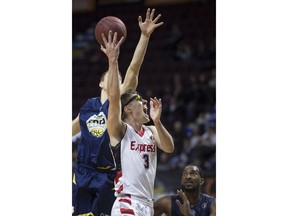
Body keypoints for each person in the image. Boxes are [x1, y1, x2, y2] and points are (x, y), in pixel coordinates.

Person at [72, 8, 164, 216]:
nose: (117, 80)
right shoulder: (88, 107)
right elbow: (71, 128)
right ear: (101, 82)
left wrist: (144, 36)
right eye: (113, 77)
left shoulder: (119, 103)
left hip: (107, 174)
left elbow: (133, 69)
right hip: (84, 170)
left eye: (119, 79)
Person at [106, 33, 174, 216]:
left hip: (147, 204)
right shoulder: (120, 130)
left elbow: (169, 148)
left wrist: (157, 122)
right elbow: (114, 98)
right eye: (140, 101)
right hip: (127, 202)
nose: (145, 104)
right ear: (127, 109)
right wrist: (113, 61)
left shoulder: (151, 130)